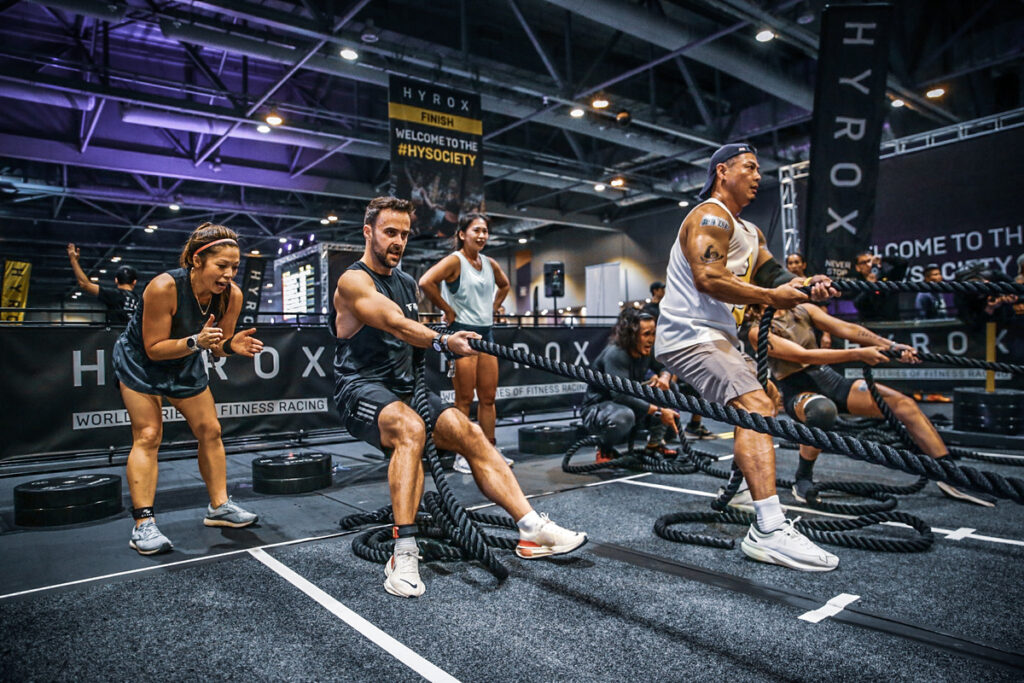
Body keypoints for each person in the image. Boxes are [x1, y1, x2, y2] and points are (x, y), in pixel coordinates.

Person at [333, 197, 586, 598]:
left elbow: (408, 336)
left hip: (402, 389)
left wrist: (439, 342)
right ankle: (403, 552)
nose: (398, 242)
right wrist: (443, 339)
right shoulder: (353, 281)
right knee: (410, 428)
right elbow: (395, 323)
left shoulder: (403, 282)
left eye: (404, 234)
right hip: (360, 389)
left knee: (466, 430)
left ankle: (531, 528)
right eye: (389, 233)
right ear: (368, 232)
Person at [655, 142, 841, 572]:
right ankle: (769, 529)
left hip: (717, 336)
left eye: (760, 169)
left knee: (766, 400)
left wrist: (809, 283)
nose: (759, 176)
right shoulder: (710, 215)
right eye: (750, 167)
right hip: (689, 335)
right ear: (723, 171)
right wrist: (770, 295)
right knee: (755, 405)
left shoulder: (751, 232)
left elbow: (777, 275)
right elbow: (708, 277)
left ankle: (748, 491)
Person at [744, 302, 995, 507]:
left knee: (903, 404)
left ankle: (948, 474)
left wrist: (890, 346)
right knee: (822, 411)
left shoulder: (802, 309)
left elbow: (846, 328)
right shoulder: (757, 330)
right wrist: (859, 354)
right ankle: (803, 477)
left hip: (831, 380)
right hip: (799, 390)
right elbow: (803, 356)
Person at [112, 223, 263, 555]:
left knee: (210, 429)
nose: (229, 274)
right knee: (149, 434)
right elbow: (153, 348)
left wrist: (231, 347)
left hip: (185, 360)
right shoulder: (163, 287)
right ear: (198, 261)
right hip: (141, 363)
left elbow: (217, 346)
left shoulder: (232, 296)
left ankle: (219, 507)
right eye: (221, 266)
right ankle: (143, 525)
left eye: (234, 267)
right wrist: (197, 341)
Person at [418, 213, 515, 474]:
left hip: (487, 334)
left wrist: (494, 307)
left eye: (485, 231)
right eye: (476, 231)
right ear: (462, 234)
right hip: (462, 334)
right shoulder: (455, 261)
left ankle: (490, 449)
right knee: (463, 398)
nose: (482, 235)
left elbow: (504, 285)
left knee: (488, 397)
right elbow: (426, 282)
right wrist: (447, 310)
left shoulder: (490, 263)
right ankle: (463, 454)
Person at [581, 309, 680, 462]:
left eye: (654, 334)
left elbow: (664, 367)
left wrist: (665, 378)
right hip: (598, 409)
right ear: (632, 335)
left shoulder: (647, 349)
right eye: (646, 334)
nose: (651, 339)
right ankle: (604, 449)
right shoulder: (616, 354)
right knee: (624, 416)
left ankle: (654, 444)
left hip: (626, 401)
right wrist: (659, 412)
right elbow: (621, 395)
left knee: (670, 389)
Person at [643, 280, 713, 439]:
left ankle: (694, 425)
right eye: (662, 289)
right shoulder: (647, 312)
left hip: (670, 354)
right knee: (669, 387)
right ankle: (659, 433)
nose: (665, 291)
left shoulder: (668, 307)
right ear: (655, 291)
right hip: (657, 358)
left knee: (697, 386)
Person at [67, 243, 139, 326]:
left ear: (116, 280)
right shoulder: (140, 300)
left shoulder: (112, 294)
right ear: (134, 282)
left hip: (117, 335)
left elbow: (84, 284)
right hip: (137, 337)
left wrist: (74, 261)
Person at [851, 251, 908, 322]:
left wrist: (883, 258)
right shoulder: (856, 284)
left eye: (870, 261)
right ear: (858, 268)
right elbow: (858, 304)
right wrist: (869, 287)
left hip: (892, 323)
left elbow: (903, 263)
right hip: (870, 325)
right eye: (863, 263)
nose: (868, 265)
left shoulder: (888, 278)